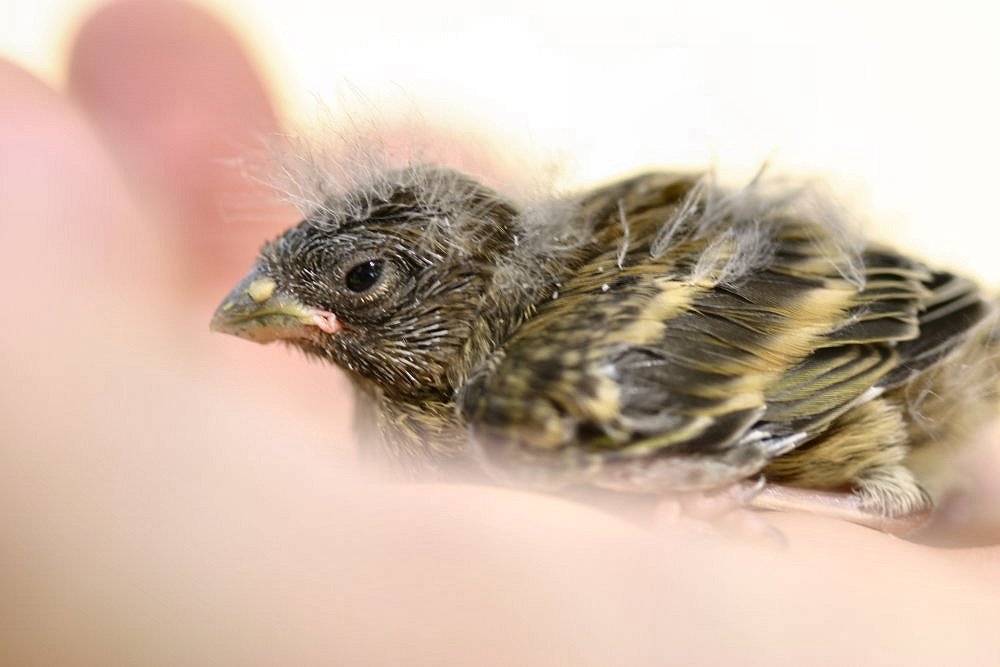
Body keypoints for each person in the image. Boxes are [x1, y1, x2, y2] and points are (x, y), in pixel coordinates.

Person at [2, 1, 998, 664]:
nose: (254, 308)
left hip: (908, 371)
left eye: (362, 279)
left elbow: (885, 336)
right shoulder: (406, 420)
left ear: (457, 284)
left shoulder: (541, 384)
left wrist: (777, 502)